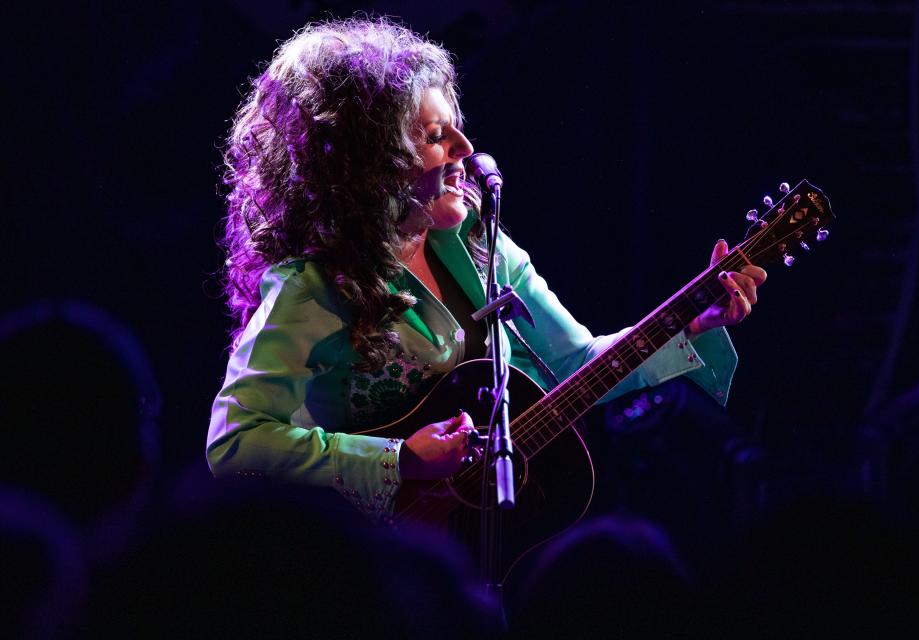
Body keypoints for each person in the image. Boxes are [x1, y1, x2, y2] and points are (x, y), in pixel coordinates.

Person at [207, 18, 767, 522]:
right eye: (434, 137)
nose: (465, 147)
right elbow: (235, 443)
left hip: (481, 553)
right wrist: (397, 460)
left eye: (455, 127)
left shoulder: (482, 246)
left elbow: (573, 365)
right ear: (365, 167)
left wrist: (691, 321)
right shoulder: (312, 288)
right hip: (371, 564)